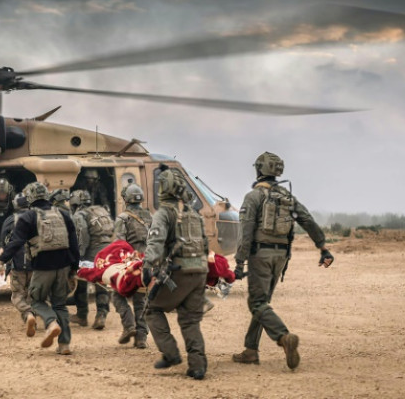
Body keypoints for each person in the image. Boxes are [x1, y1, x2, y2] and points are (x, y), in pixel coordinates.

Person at [232, 152, 334, 370]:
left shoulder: (254, 197)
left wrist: (240, 262)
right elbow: (307, 220)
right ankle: (251, 350)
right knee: (263, 305)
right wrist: (323, 248)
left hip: (260, 256)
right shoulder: (287, 197)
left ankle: (284, 337)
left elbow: (246, 232)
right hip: (281, 257)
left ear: (259, 170)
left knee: (257, 304)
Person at [142, 166, 210, 380]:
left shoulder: (164, 214)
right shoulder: (193, 214)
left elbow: (155, 242)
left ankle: (171, 354)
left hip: (178, 272)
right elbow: (205, 245)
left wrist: (147, 267)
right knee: (190, 320)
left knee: (151, 310)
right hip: (200, 271)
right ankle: (197, 366)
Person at [0, 182, 80, 355]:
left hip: (43, 266)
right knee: (60, 305)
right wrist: (74, 268)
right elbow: (74, 244)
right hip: (64, 265)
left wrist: (2, 259)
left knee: (36, 300)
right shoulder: (63, 214)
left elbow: (16, 242)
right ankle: (64, 344)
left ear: (29, 198)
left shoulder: (28, 217)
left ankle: (51, 323)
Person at [112, 182, 152, 348]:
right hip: (146, 262)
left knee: (117, 295)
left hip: (130, 262)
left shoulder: (123, 218)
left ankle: (129, 326)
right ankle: (141, 337)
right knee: (140, 299)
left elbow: (119, 243)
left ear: (126, 199)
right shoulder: (150, 217)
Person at [70, 189, 114, 330]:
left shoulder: (79, 215)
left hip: (92, 251)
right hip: (107, 250)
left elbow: (82, 235)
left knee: (81, 282)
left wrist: (80, 255)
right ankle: (101, 315)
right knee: (101, 283)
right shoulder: (100, 210)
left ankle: (82, 315)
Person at [0, 193, 35, 329]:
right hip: (35, 263)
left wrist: (2, 260)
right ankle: (33, 316)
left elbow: (3, 242)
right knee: (33, 294)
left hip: (17, 263)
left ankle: (27, 314)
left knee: (17, 295)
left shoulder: (10, 220)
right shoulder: (36, 218)